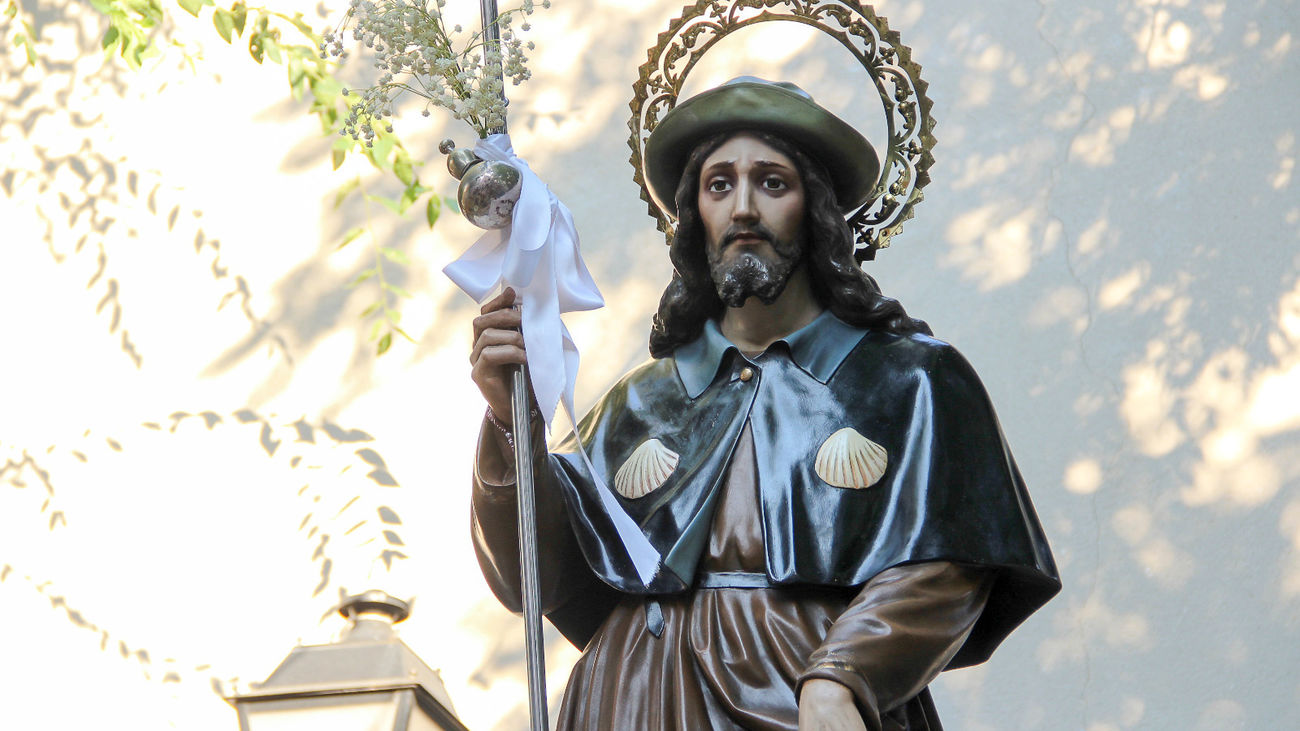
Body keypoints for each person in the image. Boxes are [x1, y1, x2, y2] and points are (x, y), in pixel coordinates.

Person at [467, 78, 1059, 731]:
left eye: (773, 183)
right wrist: (510, 423)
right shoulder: (645, 400)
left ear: (817, 210)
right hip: (632, 698)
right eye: (719, 185)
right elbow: (536, 573)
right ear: (697, 214)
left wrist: (843, 674)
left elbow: (949, 568)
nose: (743, 207)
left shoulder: (909, 382)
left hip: (808, 693)